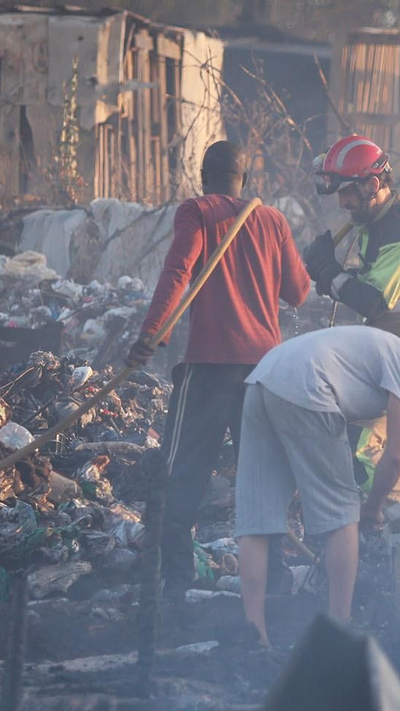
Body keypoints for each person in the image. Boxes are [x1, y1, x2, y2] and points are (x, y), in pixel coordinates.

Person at [128, 141, 311, 595]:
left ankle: (174, 584)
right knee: (262, 479)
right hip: (265, 372)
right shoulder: (273, 220)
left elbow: (177, 273)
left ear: (203, 176)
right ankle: (275, 584)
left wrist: (152, 336)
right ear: (244, 180)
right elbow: (299, 292)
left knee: (182, 474)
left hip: (210, 368)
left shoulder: (197, 211)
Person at [235, 326, 400, 647]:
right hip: (309, 387)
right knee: (343, 516)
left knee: (256, 522)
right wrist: (371, 508)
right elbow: (396, 453)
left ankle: (254, 634)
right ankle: (339, 633)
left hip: (262, 380)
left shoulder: (379, 350)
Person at [301, 134, 400, 529]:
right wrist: (330, 275)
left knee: (371, 451)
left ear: (372, 184)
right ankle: (386, 537)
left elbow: (373, 302)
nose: (342, 203)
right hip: (398, 353)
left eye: (348, 193)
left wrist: (330, 273)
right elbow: (371, 286)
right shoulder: (375, 224)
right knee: (368, 447)